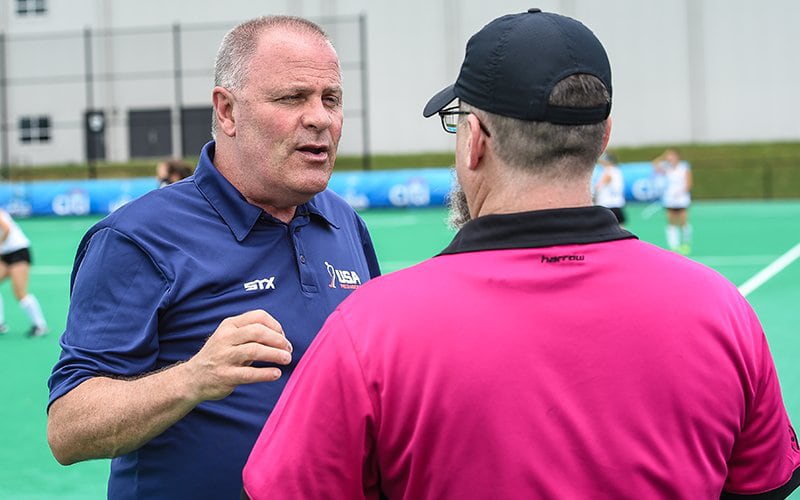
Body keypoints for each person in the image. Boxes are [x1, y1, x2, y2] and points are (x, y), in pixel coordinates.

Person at [242, 9, 800, 499]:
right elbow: (762, 481)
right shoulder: (722, 311)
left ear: (475, 139)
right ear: (603, 136)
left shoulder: (371, 328)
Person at [47, 15, 380, 500]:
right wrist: (193, 377)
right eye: (292, 98)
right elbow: (69, 428)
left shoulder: (344, 223)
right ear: (227, 111)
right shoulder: (138, 237)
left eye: (331, 99)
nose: (320, 118)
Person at [0, 208, 47, 337]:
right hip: (5, 254)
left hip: (18, 252)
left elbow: (6, 228)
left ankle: (40, 325)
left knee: (20, 292)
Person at [652, 148, 692, 254]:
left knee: (683, 222)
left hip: (682, 199)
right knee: (671, 222)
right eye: (668, 156)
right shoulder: (667, 168)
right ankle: (673, 245)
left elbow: (688, 183)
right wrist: (663, 156)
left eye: (672, 156)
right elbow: (654, 165)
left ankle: (686, 243)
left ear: (677, 157)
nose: (670, 158)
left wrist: (681, 192)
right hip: (670, 199)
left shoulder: (684, 168)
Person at [593, 150, 627, 227]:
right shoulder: (617, 171)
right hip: (617, 204)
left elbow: (598, 187)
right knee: (621, 228)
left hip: (607, 205)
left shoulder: (608, 172)